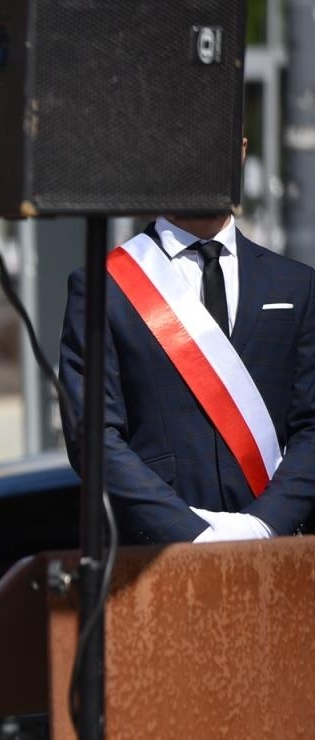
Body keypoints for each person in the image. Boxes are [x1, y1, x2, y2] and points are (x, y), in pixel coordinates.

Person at [59, 183, 315, 543]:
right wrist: (193, 534)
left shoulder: (295, 285)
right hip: (157, 559)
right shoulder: (105, 288)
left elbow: (311, 426)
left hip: (276, 554)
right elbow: (93, 434)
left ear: (240, 150)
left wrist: (264, 523)